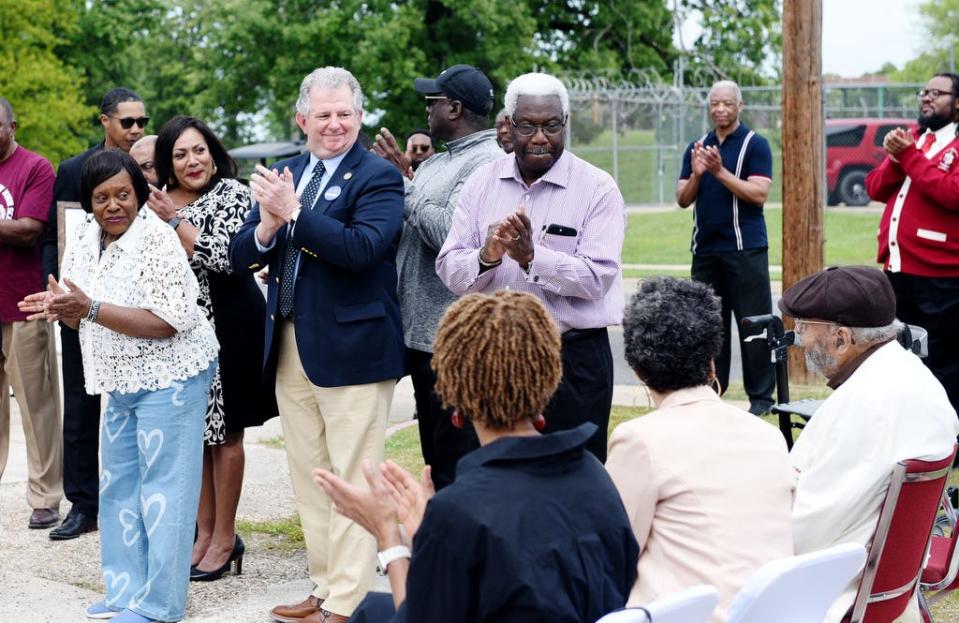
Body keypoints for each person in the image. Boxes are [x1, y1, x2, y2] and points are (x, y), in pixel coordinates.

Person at [315, 290, 639, 623]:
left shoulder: (460, 511)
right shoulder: (596, 477)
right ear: (549, 376)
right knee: (374, 609)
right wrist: (429, 533)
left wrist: (390, 538)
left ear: (455, 403)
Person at [229, 66, 405, 623]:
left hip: (353, 347)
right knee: (310, 473)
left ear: (359, 117)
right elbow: (243, 255)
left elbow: (362, 248)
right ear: (302, 119)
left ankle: (349, 600)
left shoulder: (378, 177)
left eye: (345, 114)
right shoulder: (290, 172)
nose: (335, 125)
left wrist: (296, 214)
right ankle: (324, 585)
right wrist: (265, 226)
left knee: (354, 474)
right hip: (288, 343)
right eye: (324, 114)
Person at [20, 149, 219, 623]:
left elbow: (170, 321)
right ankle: (125, 591)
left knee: (165, 491)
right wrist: (62, 308)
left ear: (139, 194)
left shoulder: (157, 240)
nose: (113, 206)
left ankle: (160, 605)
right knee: (119, 488)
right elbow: (80, 306)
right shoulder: (85, 237)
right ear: (88, 203)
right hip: (120, 378)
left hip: (172, 376)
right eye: (101, 197)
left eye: (123, 195)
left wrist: (86, 309)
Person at [436, 71, 625, 462]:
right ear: (508, 124)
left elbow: (598, 278)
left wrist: (532, 257)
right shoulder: (481, 184)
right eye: (528, 126)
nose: (540, 137)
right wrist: (487, 255)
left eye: (551, 126)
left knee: (574, 477)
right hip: (493, 356)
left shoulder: (597, 188)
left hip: (571, 361)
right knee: (493, 473)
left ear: (565, 124)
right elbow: (451, 272)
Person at [605, 277, 794, 623]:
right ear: (711, 360)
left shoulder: (639, 440)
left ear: (637, 370)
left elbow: (612, 554)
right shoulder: (768, 438)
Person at [781, 265, 959, 623]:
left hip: (838, 594)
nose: (799, 342)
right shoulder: (918, 378)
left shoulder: (863, 404)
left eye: (803, 328)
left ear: (842, 338)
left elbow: (801, 536)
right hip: (892, 590)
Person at [147, 116, 277, 581]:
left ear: (213, 151)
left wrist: (176, 223)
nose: (191, 161)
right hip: (176, 335)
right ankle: (202, 534)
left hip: (229, 326)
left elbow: (229, 257)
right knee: (196, 438)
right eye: (180, 154)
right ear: (168, 162)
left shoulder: (234, 194)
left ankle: (225, 537)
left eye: (198, 150)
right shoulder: (157, 201)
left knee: (226, 437)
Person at [371, 64, 502, 489]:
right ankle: (442, 538)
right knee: (434, 453)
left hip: (452, 338)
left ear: (456, 107)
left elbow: (450, 234)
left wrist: (403, 185)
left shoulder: (486, 164)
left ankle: (462, 548)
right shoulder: (439, 163)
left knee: (457, 456)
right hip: (420, 334)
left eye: (434, 102)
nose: (427, 110)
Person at [41, 87, 149, 540]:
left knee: (141, 404)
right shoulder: (73, 171)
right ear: (105, 121)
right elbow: (54, 235)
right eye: (128, 122)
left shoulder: (151, 161)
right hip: (79, 305)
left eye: (142, 121)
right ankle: (83, 505)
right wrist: (55, 285)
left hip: (137, 309)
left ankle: (144, 501)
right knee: (81, 408)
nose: (137, 130)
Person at [675, 79, 775, 416]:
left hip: (745, 250)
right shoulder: (697, 146)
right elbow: (682, 199)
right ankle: (712, 393)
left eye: (727, 103)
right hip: (705, 252)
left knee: (753, 324)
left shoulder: (755, 144)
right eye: (714, 103)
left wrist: (720, 172)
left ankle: (761, 399)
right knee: (708, 326)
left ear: (739, 106)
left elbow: (758, 194)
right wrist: (700, 174)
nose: (720, 109)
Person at [865, 72, 959, 420]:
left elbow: (950, 194)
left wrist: (910, 156)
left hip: (941, 277)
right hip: (899, 271)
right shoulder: (916, 140)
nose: (928, 98)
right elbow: (875, 188)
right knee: (902, 359)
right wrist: (896, 157)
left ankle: (950, 439)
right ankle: (911, 431)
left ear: (957, 103)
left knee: (943, 361)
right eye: (925, 92)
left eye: (938, 93)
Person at [0, 96, 64, 530]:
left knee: (36, 405)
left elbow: (28, 230)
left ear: (12, 125)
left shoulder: (35, 168)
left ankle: (45, 496)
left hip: (23, 304)